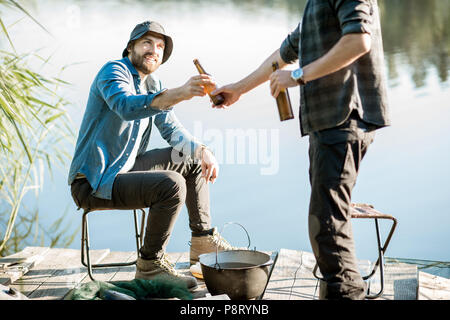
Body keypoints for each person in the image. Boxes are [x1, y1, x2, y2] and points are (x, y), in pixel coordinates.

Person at [213, 0, 390, 299]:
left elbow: (359, 39)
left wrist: (298, 75)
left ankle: (349, 294)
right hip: (327, 125)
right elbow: (284, 53)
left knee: (327, 227)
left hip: (344, 119)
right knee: (328, 223)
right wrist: (238, 89)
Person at [68, 21, 236, 290]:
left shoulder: (153, 83)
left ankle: (202, 240)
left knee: (191, 157)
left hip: (126, 170)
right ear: (130, 47)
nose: (154, 50)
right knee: (170, 184)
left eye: (160, 46)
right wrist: (178, 93)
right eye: (147, 42)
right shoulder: (113, 71)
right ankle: (150, 265)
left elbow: (172, 130)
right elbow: (125, 106)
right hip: (94, 181)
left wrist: (203, 150)